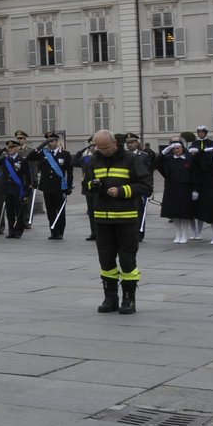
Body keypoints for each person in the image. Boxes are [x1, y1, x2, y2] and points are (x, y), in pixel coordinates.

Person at [84, 129, 150, 314]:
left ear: (114, 143)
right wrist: (92, 185)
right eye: (99, 147)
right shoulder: (94, 160)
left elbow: (146, 184)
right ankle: (110, 298)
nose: (103, 151)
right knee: (105, 260)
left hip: (126, 218)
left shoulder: (130, 159)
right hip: (102, 220)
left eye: (106, 147)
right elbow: (85, 185)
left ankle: (129, 299)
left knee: (127, 260)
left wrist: (122, 191)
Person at [29, 132, 74, 239]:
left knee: (60, 210)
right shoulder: (43, 153)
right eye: (48, 141)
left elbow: (70, 172)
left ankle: (60, 232)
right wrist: (42, 145)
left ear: (57, 141)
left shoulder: (65, 154)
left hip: (60, 187)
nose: (50, 143)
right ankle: (53, 231)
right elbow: (30, 157)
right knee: (50, 211)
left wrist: (68, 187)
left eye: (52, 141)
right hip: (47, 187)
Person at [158, 141, 197, 243]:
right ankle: (178, 233)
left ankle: (184, 234)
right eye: (174, 148)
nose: (176, 150)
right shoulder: (169, 159)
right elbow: (157, 163)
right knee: (174, 213)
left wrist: (195, 190)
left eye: (178, 148)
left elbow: (195, 174)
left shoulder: (189, 159)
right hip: (172, 188)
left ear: (183, 148)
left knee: (185, 213)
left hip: (186, 189)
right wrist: (164, 151)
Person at [0, 139, 30, 239]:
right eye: (8, 148)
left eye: (12, 147)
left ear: (17, 148)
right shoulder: (5, 160)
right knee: (9, 212)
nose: (10, 149)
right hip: (7, 189)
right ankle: (11, 230)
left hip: (17, 190)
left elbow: (28, 177)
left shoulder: (22, 160)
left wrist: (27, 191)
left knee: (19, 211)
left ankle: (18, 231)